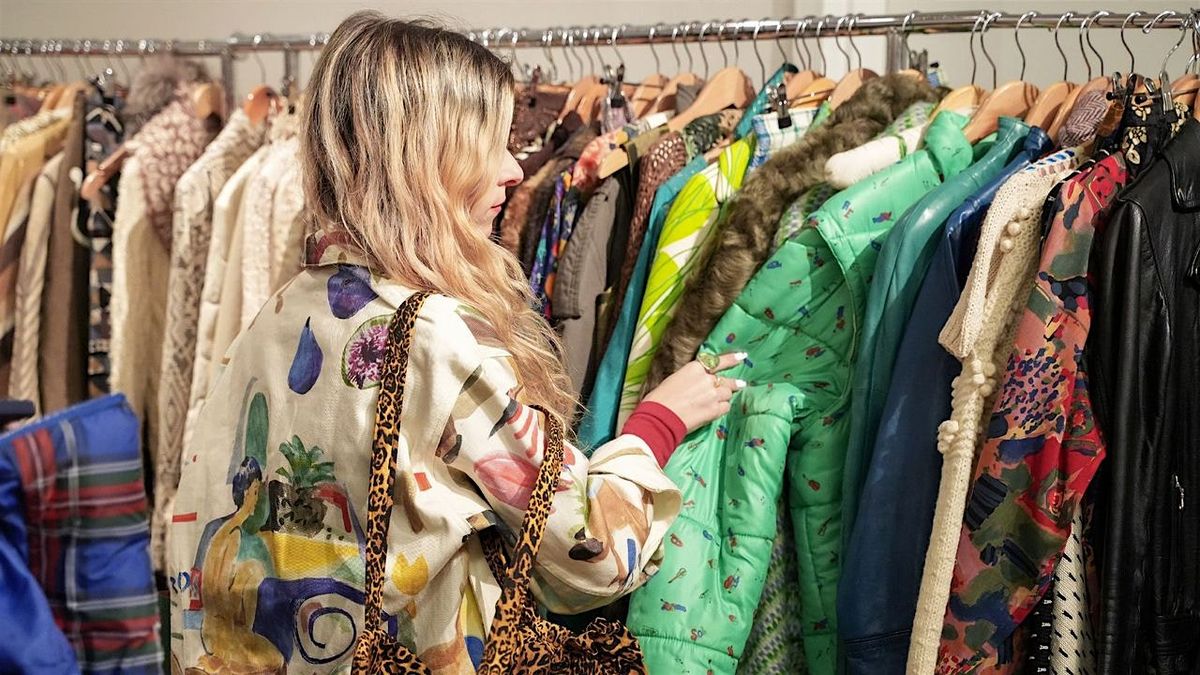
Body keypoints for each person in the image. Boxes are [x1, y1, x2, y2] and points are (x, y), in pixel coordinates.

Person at [168, 11, 745, 674]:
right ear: (422, 161)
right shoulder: (435, 336)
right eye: (489, 146)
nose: (514, 169)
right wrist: (656, 424)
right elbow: (591, 554)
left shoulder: (272, 317)